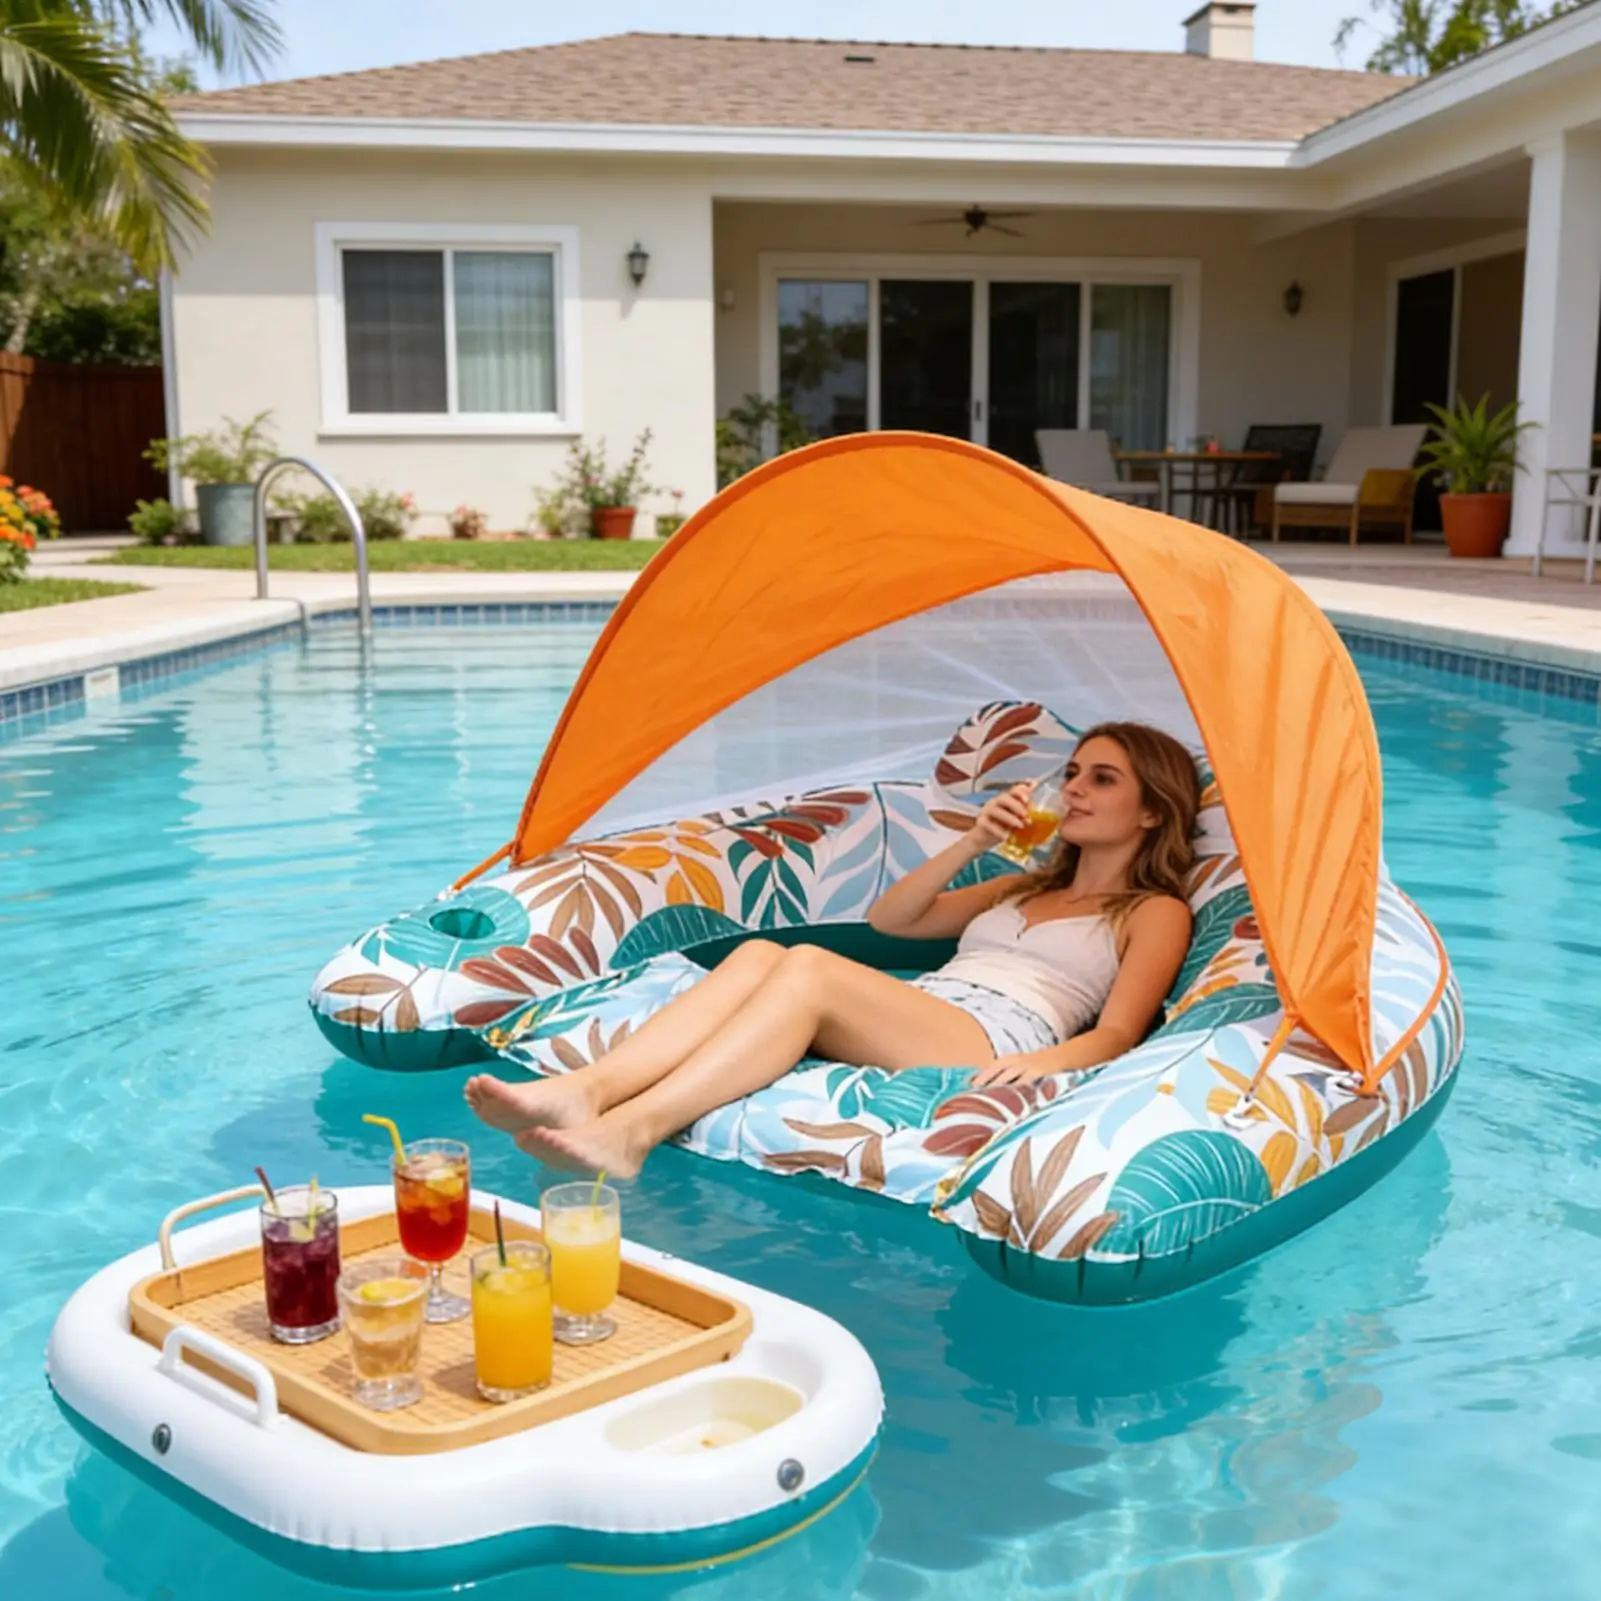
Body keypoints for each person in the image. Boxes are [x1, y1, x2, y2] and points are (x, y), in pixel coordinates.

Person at [465, 722, 1198, 1179]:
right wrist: (974, 841)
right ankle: (588, 1090)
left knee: (809, 964)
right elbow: (894, 921)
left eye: (1101, 778)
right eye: (1070, 771)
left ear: (1151, 809)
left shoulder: (1153, 911)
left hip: (998, 1033)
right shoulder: (1019, 881)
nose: (1072, 788)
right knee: (756, 953)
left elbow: (1118, 1030)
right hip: (932, 1008)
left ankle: (632, 1131)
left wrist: (1043, 1064)